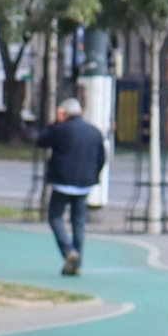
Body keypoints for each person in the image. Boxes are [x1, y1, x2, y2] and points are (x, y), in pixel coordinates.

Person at [35, 97, 107, 276]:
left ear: (65, 114)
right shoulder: (94, 131)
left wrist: (55, 122)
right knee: (78, 222)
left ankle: (69, 251)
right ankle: (76, 262)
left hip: (63, 182)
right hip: (84, 184)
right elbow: (102, 158)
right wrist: (93, 176)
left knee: (55, 217)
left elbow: (41, 140)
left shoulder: (61, 130)